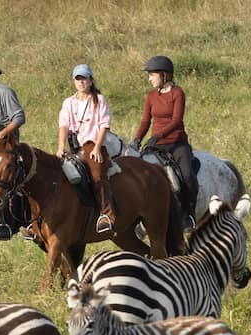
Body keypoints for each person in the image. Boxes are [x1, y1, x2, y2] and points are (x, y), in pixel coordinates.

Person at [131, 54, 197, 230]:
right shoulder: (151, 96)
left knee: (188, 176)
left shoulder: (178, 93)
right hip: (156, 146)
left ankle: (189, 214)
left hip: (177, 143)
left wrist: (157, 136)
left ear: (164, 75)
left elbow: (176, 120)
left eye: (152, 74)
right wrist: (137, 140)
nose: (150, 78)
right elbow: (146, 121)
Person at [58, 64, 117, 234]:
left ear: (91, 80)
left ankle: (107, 214)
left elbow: (104, 125)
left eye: (84, 78)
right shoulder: (69, 102)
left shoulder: (99, 99)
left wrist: (98, 148)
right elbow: (64, 125)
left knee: (97, 175)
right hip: (74, 147)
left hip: (92, 144)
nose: (81, 82)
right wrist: (61, 146)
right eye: (78, 79)